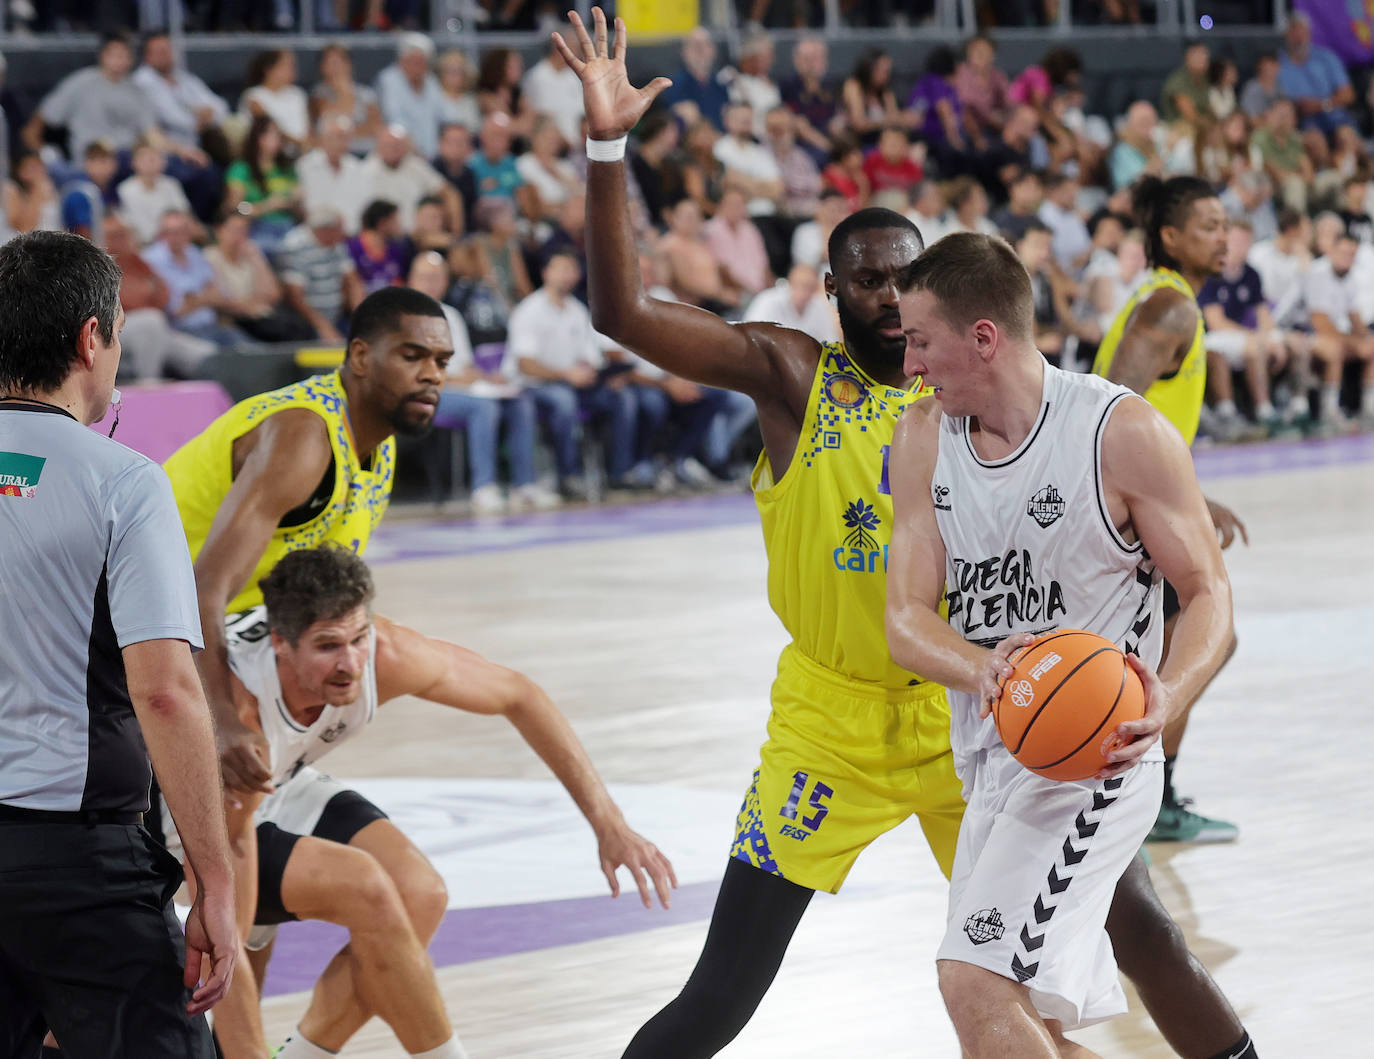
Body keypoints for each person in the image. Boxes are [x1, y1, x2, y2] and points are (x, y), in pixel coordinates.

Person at [554, 13, 1260, 1059]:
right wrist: (609, 150)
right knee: (725, 989)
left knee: (1136, 932)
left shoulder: (977, 388)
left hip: (985, 709)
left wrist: (1177, 507)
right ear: (831, 290)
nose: (888, 301)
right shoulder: (793, 376)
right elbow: (619, 312)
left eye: (904, 280)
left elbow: (1085, 457)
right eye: (866, 281)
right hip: (829, 723)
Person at [883, 230, 1237, 1059]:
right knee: (1016, 1029)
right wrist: (985, 668)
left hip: (1094, 760)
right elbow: (906, 619)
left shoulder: (1120, 432)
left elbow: (1209, 592)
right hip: (994, 758)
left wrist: (1167, 697)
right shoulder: (922, 438)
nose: (908, 364)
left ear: (983, 337)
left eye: (919, 341)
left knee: (974, 981)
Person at [157, 546, 673, 1058]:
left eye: (359, 638)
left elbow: (519, 694)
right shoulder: (241, 718)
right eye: (328, 646)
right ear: (280, 645)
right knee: (363, 887)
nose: (350, 663)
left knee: (420, 892)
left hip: (281, 783)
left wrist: (609, 823)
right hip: (185, 822)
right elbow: (223, 923)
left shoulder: (385, 656)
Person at [0, 230, 235, 1056]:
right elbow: (165, 689)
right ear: (90, 338)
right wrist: (214, 873)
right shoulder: (124, 482)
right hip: (81, 867)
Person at [162, 287, 453, 800]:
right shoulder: (304, 435)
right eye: (413, 356)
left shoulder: (376, 450)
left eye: (441, 361)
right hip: (119, 620)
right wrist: (223, 721)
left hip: (200, 626)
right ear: (361, 356)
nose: (432, 374)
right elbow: (201, 592)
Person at [1091, 175, 1248, 842]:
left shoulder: (1167, 300)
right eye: (1208, 225)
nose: (1224, 235)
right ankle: (1147, 797)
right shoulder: (1169, 307)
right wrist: (1174, 496)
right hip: (1130, 503)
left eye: (1225, 224)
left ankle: (1140, 790)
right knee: (1204, 640)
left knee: (1182, 644)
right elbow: (1114, 401)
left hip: (1137, 495)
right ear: (1171, 236)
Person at [409, 251, 559, 513]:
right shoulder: (404, 318)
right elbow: (413, 372)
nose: (432, 283)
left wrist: (489, 379)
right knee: (484, 407)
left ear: (446, 281)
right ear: (412, 280)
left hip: (463, 388)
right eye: (425, 277)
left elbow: (466, 364)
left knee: (519, 402)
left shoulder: (452, 316)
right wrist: (458, 379)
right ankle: (483, 487)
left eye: (437, 277)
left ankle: (524, 485)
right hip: (425, 393)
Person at [1197, 220, 1307, 436]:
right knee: (1255, 346)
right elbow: (1216, 322)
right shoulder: (1211, 272)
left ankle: (1299, 407)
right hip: (1213, 338)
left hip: (1244, 338)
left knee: (1297, 342)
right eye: (1237, 241)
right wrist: (1259, 338)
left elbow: (1264, 315)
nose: (1242, 246)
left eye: (1247, 241)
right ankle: (1263, 410)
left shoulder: (1251, 274)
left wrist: (1273, 338)